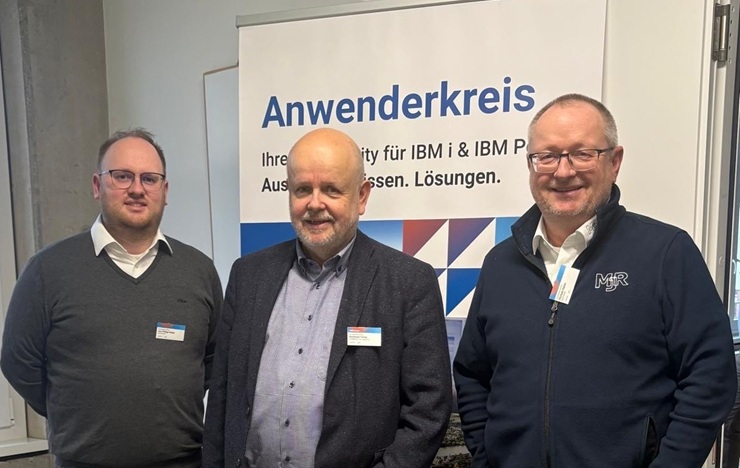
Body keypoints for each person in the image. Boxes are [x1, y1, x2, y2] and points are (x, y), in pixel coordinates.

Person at [453, 94, 737, 467]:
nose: (563, 171)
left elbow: (711, 376)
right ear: (530, 164)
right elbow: (473, 375)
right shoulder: (500, 264)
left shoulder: (665, 252)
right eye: (547, 156)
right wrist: (486, 457)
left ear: (614, 162)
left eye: (582, 154)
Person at [203, 127, 452, 468]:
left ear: (361, 196)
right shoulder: (248, 276)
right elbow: (222, 394)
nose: (315, 204)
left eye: (332, 189)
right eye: (303, 189)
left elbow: (429, 409)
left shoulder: (408, 282)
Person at [1, 128, 223, 467]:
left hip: (184, 461)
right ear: (97, 185)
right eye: (122, 176)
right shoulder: (48, 269)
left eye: (149, 179)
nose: (137, 189)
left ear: (164, 191)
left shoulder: (199, 271)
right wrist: (71, 409)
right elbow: (19, 361)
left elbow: (213, 361)